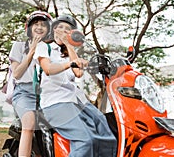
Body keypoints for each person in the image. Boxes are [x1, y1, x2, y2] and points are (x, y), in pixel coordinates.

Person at [34, 15, 117, 156]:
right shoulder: (44, 47)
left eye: (68, 29)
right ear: (54, 29)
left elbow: (78, 73)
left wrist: (69, 46)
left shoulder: (68, 53)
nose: (63, 31)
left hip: (78, 101)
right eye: (60, 27)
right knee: (85, 140)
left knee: (108, 135)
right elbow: (48, 69)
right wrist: (70, 63)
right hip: (56, 102)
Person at [9, 10, 52, 157]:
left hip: (46, 93)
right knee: (29, 123)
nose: (39, 27)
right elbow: (16, 73)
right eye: (36, 24)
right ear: (29, 27)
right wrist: (31, 52)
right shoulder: (19, 46)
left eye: (43, 25)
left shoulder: (50, 49)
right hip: (24, 92)